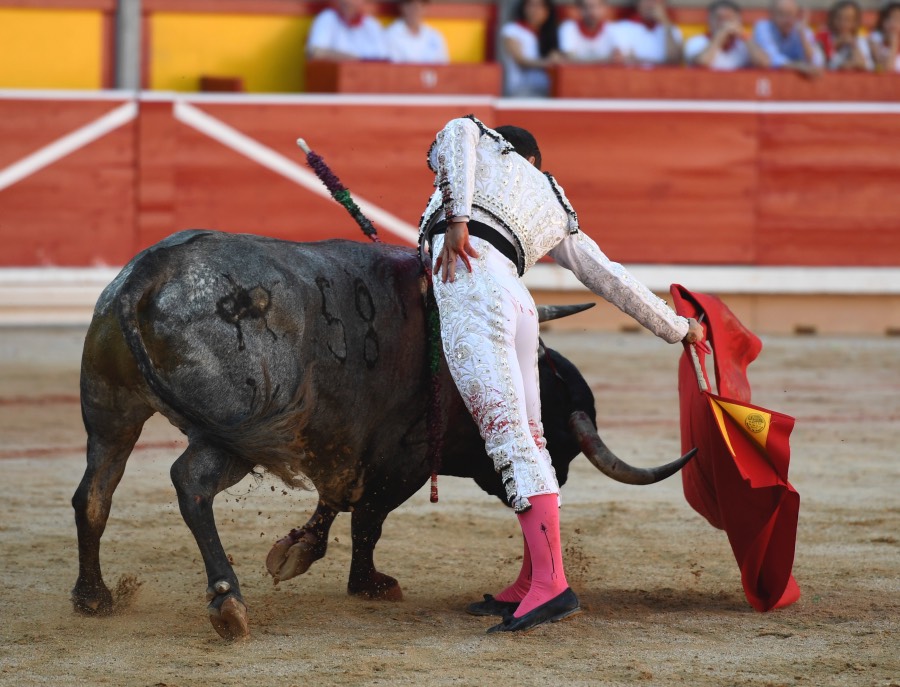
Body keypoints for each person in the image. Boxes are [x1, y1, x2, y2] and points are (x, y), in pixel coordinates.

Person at [419, 116, 707, 633]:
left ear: (505, 150)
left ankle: (552, 587)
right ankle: (535, 582)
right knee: (529, 440)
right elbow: (608, 276)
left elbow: (459, 128)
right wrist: (678, 328)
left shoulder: (479, 144)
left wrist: (458, 217)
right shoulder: (552, 198)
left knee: (511, 443)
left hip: (471, 287)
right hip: (518, 304)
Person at [500, 0, 563, 97]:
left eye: (541, 6)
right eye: (532, 6)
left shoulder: (552, 32)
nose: (536, 10)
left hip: (550, 89)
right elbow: (521, 61)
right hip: (521, 90)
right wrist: (549, 62)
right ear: (523, 8)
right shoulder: (512, 30)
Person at [685, 0, 770, 70]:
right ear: (709, 19)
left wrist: (743, 35)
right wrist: (720, 36)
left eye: (729, 18)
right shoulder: (696, 41)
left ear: (739, 20)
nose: (724, 23)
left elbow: (764, 64)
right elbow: (701, 63)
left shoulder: (745, 44)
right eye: (719, 18)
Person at [752, 0, 825, 77]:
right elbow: (771, 59)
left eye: (791, 14)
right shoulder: (763, 27)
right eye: (782, 14)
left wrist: (802, 36)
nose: (788, 20)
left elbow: (816, 62)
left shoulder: (801, 29)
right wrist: (799, 67)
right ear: (771, 14)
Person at [607, 0, 683, 66]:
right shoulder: (621, 28)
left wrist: (666, 23)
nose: (651, 5)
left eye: (657, 1)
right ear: (638, 3)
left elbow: (674, 63)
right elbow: (624, 62)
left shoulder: (671, 30)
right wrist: (660, 63)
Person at [306, 0, 388, 61]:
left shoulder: (371, 24)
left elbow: (383, 58)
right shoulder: (327, 18)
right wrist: (355, 60)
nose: (349, 3)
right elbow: (315, 53)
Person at [385, 0, 449, 64]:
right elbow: (393, 70)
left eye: (420, 5)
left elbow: (443, 68)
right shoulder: (390, 35)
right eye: (411, 5)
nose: (416, 9)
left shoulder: (435, 36)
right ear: (402, 7)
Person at [817, 0, 874, 70]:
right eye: (839, 18)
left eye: (848, 20)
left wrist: (853, 46)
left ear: (855, 22)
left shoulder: (860, 40)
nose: (843, 23)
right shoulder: (824, 38)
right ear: (832, 19)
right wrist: (836, 45)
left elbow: (864, 65)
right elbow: (823, 64)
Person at [869, 1, 900, 72]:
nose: (893, 23)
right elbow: (887, 69)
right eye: (889, 18)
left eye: (898, 19)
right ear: (882, 21)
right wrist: (893, 45)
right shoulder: (875, 38)